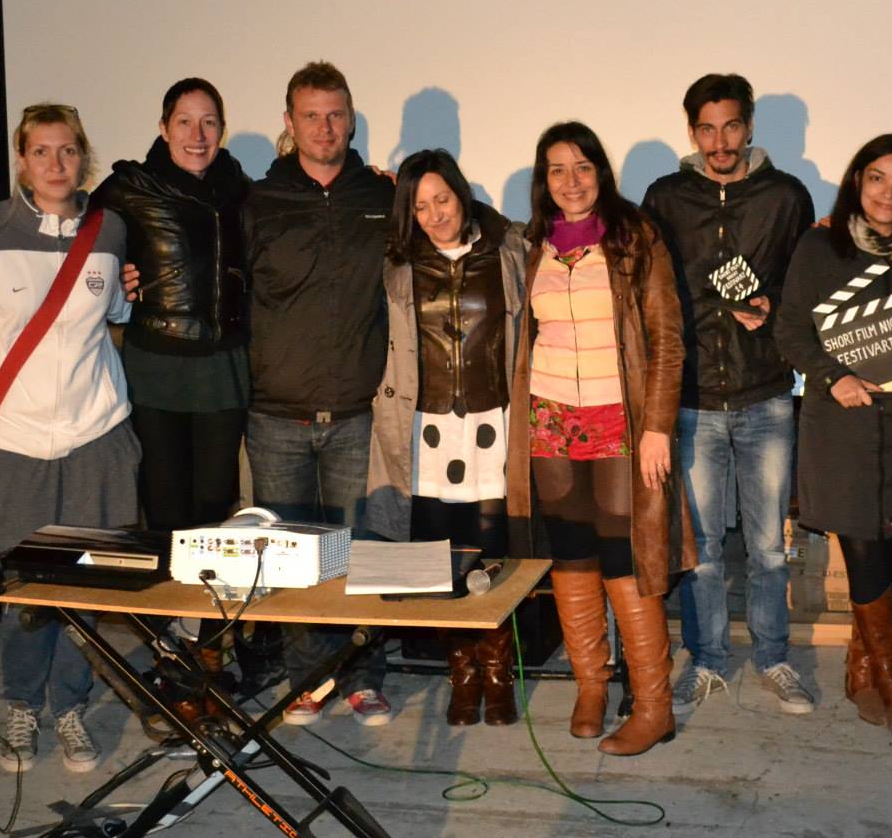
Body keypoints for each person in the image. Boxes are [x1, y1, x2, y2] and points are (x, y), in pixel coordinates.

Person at [0, 103, 140, 774]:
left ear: (84, 157)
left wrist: (128, 293)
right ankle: (22, 707)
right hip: (12, 444)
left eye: (68, 150)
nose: (56, 164)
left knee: (81, 588)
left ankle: (70, 708)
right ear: (22, 159)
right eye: (41, 151)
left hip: (95, 438)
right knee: (20, 591)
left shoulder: (110, 229)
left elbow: (111, 311)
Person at [505, 121, 695, 757]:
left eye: (582, 167)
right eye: (557, 170)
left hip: (622, 422)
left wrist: (658, 426)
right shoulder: (530, 243)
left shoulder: (635, 238)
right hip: (550, 422)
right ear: (544, 180)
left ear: (601, 172)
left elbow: (667, 339)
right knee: (572, 558)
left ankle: (654, 706)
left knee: (625, 560)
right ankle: (591, 685)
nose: (571, 181)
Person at [641, 73, 816, 719]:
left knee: (768, 548)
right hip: (690, 399)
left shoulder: (786, 196)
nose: (720, 142)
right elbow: (648, 288)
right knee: (704, 550)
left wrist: (774, 309)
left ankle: (773, 657)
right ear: (692, 131)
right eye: (707, 129)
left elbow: (808, 288)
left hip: (765, 395)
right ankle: (708, 661)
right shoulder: (664, 198)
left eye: (731, 126)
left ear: (749, 127)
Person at [244, 61, 398, 728]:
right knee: (292, 556)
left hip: (357, 412)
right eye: (311, 115)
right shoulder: (259, 201)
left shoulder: (382, 196)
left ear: (351, 119)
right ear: (290, 122)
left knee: (357, 551)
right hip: (275, 413)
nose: (325, 127)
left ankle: (362, 678)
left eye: (335, 114)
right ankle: (309, 680)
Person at [775, 134, 892, 733]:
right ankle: (890, 671)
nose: (889, 194)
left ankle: (860, 662)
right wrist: (832, 376)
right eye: (878, 178)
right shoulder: (821, 245)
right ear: (856, 181)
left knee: (890, 536)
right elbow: (790, 328)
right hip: (841, 420)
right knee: (860, 539)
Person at [365, 149, 528, 727]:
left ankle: (498, 672)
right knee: (439, 559)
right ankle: (462, 675)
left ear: (463, 195)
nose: (436, 215)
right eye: (420, 206)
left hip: (492, 426)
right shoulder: (397, 265)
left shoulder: (508, 250)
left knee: (494, 553)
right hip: (427, 432)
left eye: (444, 199)